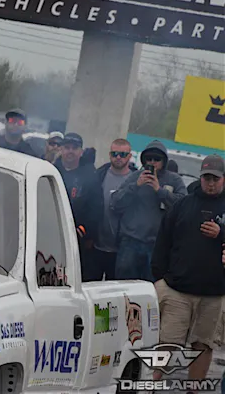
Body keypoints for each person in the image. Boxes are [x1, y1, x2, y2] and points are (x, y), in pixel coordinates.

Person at [151, 154, 225, 385]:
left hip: (214, 293)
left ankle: (194, 389)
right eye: (206, 178)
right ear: (200, 178)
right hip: (178, 290)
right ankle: (149, 386)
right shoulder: (182, 204)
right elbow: (163, 241)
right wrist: (160, 278)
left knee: (203, 345)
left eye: (215, 179)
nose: (210, 183)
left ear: (224, 179)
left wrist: (221, 233)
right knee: (167, 344)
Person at [111, 140, 187, 281]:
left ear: (164, 161)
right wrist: (136, 186)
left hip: (157, 245)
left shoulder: (174, 180)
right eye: (149, 159)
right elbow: (115, 202)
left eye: (156, 159)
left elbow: (183, 206)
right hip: (130, 242)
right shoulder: (135, 177)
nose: (152, 162)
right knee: (124, 285)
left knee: (151, 287)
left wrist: (160, 190)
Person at [54, 133, 104, 281]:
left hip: (76, 240)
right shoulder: (51, 170)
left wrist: (82, 231)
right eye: (67, 147)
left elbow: (96, 209)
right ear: (61, 149)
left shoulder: (91, 176)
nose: (70, 151)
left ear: (81, 151)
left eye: (74, 148)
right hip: (51, 235)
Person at [88, 139, 136, 281]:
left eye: (123, 154)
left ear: (129, 156)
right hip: (96, 245)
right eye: (115, 154)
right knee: (91, 287)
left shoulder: (136, 179)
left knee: (114, 291)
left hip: (122, 249)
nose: (118, 157)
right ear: (110, 155)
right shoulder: (99, 175)